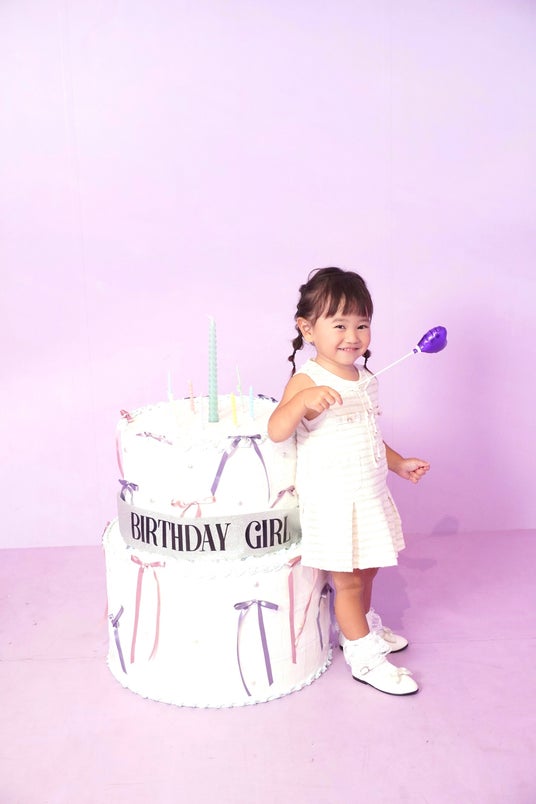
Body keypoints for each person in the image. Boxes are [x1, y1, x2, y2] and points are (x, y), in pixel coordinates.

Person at [268, 267, 430, 695]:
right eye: (339, 325)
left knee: (369, 567)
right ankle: (362, 654)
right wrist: (302, 401)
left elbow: (368, 434)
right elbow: (277, 430)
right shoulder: (307, 379)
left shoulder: (366, 379)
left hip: (368, 492)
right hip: (334, 500)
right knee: (348, 580)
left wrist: (398, 463)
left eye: (361, 324)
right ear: (307, 329)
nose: (352, 336)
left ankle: (362, 627)